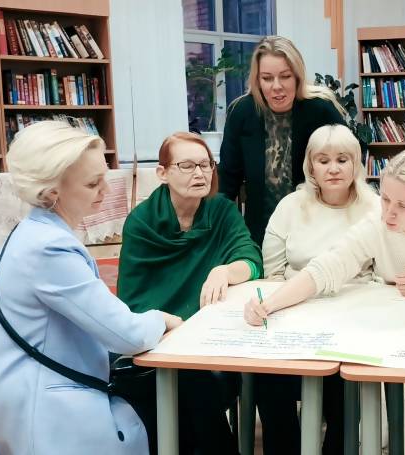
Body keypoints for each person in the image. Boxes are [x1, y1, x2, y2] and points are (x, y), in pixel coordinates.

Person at [246, 148, 405, 455]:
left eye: (402, 205)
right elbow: (329, 266)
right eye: (384, 199)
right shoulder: (378, 223)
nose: (388, 213)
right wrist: (271, 303)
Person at [0, 121, 182, 455]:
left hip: (17, 404)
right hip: (46, 419)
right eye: (92, 183)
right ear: (51, 192)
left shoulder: (28, 233)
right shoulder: (50, 249)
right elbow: (127, 335)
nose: (105, 190)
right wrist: (161, 319)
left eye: (104, 177)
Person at [118, 131, 263, 454]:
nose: (200, 173)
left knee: (196, 383)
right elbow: (133, 301)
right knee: (190, 384)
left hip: (208, 341)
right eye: (186, 166)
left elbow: (253, 262)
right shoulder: (141, 222)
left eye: (205, 165)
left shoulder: (221, 211)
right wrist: (172, 328)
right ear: (162, 173)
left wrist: (224, 270)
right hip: (157, 339)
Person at [257, 124, 379, 454]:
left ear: (356, 163)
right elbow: (273, 272)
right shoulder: (290, 206)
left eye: (342, 159)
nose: (333, 168)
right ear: (310, 166)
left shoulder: (375, 208)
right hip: (294, 313)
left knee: (343, 383)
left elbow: (383, 276)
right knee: (268, 379)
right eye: (323, 160)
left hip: (354, 318)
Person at [219, 35, 347, 245]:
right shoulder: (241, 112)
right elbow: (227, 179)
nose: (276, 86)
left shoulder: (321, 110)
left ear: (297, 76)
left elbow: (350, 162)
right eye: (267, 78)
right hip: (259, 233)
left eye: (285, 76)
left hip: (317, 230)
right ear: (257, 80)